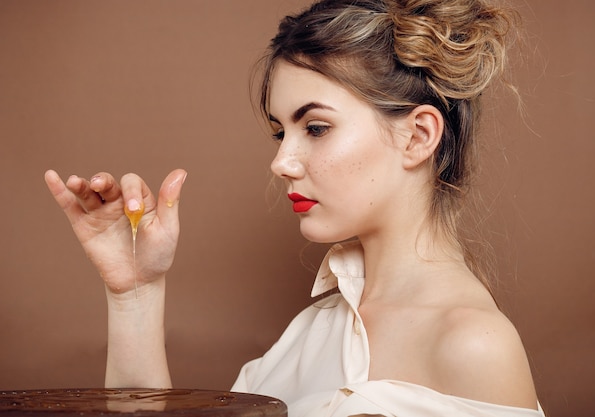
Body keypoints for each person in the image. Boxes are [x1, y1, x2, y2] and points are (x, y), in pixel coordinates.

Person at [44, 0, 545, 416]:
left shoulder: (474, 345)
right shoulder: (311, 334)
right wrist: (135, 294)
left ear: (417, 136)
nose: (282, 162)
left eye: (316, 128)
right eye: (281, 132)